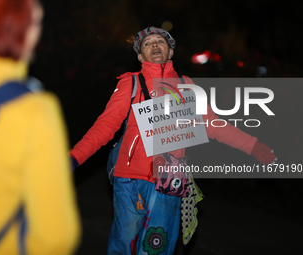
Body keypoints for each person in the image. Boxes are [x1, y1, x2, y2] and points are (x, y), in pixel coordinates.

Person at [69, 26, 276, 254]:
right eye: (148, 43)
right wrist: (74, 158)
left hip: (169, 181)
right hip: (130, 180)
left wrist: (255, 147)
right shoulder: (132, 83)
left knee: (157, 245)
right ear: (140, 56)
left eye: (160, 41)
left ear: (170, 52)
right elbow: (105, 127)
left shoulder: (187, 86)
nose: (155, 45)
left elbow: (214, 126)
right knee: (124, 243)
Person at [0, 0, 81, 254]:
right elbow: (55, 238)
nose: (37, 33)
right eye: (34, 23)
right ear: (13, 28)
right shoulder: (32, 110)